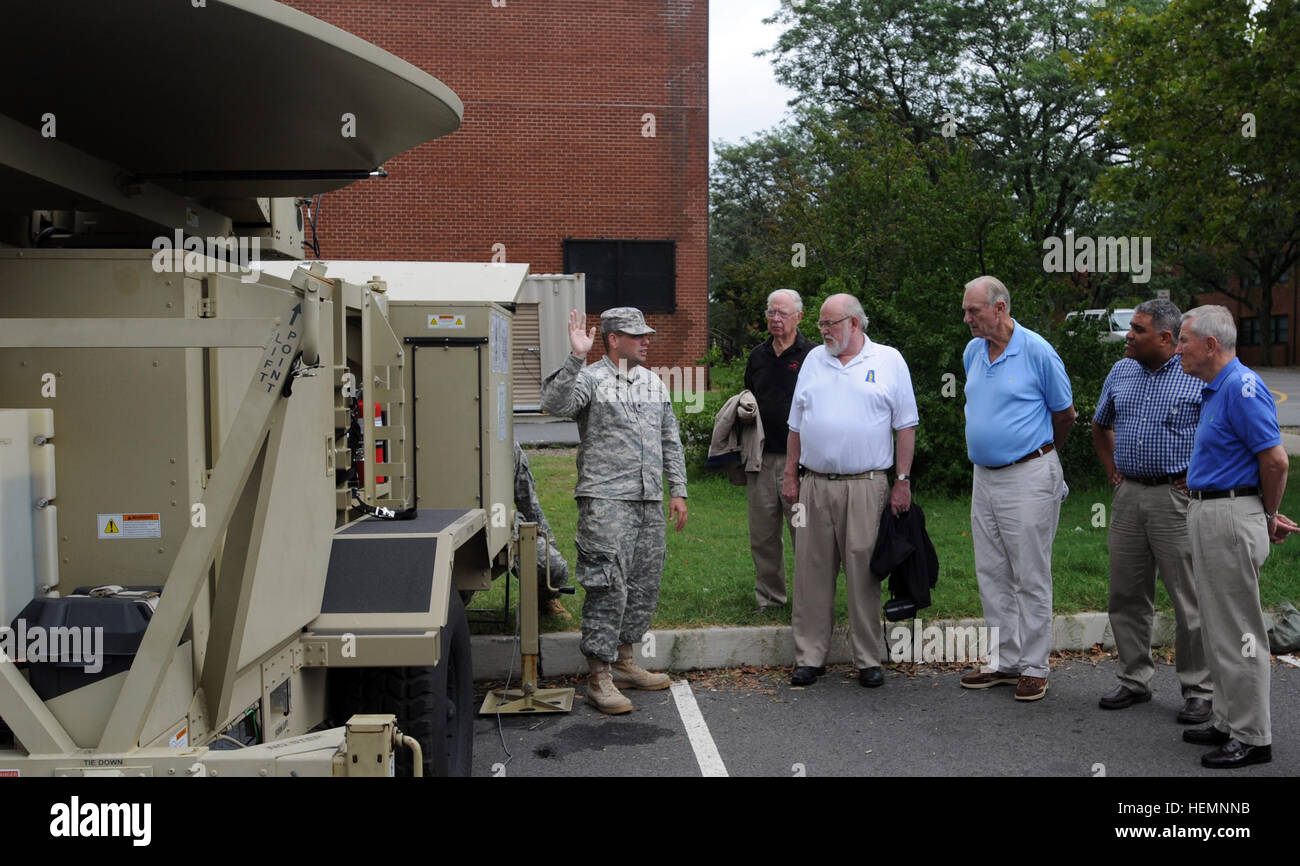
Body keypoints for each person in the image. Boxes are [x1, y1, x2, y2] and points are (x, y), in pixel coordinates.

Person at [540, 307, 689, 714]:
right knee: (607, 586)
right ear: (612, 339)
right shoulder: (590, 378)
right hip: (605, 502)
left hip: (648, 501)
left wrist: (678, 490)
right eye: (636, 334)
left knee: (643, 584)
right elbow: (554, 404)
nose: (646, 340)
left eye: (646, 334)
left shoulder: (652, 383)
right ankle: (599, 676)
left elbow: (670, 439)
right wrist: (575, 357)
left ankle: (624, 662)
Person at [1174, 305, 1297, 768]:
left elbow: (1277, 461)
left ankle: (1253, 736)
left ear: (1210, 344)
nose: (1178, 348)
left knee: (1238, 630)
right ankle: (1228, 722)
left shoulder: (1241, 388)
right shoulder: (1216, 388)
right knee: (1218, 626)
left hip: (1230, 514)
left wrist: (1267, 513)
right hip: (1213, 510)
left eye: (1184, 340)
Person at [781, 293, 918, 688]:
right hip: (815, 484)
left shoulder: (888, 360)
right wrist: (791, 476)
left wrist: (902, 481)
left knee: (863, 572)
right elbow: (795, 426)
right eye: (821, 325)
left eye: (830, 324)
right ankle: (810, 656)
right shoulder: (812, 360)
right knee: (811, 571)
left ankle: (868, 658)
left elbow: (906, 426)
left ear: (854, 324)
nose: (822, 331)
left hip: (866, 484)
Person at [1092, 300, 1213, 723]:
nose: (1128, 335)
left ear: (1165, 337)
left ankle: (1199, 688)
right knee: (1125, 594)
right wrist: (1112, 471)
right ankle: (1133, 679)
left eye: (1138, 330)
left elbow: (1221, 434)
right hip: (1129, 497)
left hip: (1175, 499)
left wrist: (1198, 475)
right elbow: (1099, 422)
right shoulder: (1121, 371)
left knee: (1189, 598)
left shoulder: (1195, 374)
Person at [959, 275, 1075, 702]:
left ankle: (1034, 665)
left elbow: (1065, 414)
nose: (967, 318)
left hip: (1029, 474)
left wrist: (1042, 456)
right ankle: (1005, 661)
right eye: (966, 310)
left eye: (974, 311)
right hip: (984, 475)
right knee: (991, 570)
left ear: (1001, 308)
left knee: (1030, 572)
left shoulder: (1037, 350)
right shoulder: (973, 351)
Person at [743, 289, 816, 610]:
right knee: (762, 536)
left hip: (800, 464)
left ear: (799, 317)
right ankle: (771, 598)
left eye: (782, 313)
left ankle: (809, 599)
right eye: (771, 313)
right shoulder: (757, 356)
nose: (775, 319)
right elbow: (748, 394)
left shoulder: (814, 355)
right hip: (760, 461)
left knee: (804, 533)